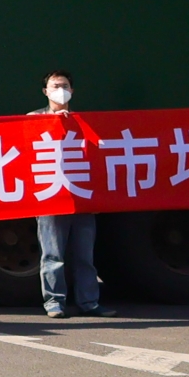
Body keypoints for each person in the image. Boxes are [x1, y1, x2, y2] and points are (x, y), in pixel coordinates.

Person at [30, 70, 110, 318]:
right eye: (55, 86)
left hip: (81, 197)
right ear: (45, 91)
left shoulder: (83, 121)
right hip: (51, 197)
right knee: (53, 255)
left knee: (84, 256)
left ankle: (89, 302)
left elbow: (98, 157)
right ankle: (54, 301)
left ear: (72, 91)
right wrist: (54, 122)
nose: (60, 90)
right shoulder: (33, 119)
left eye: (64, 86)